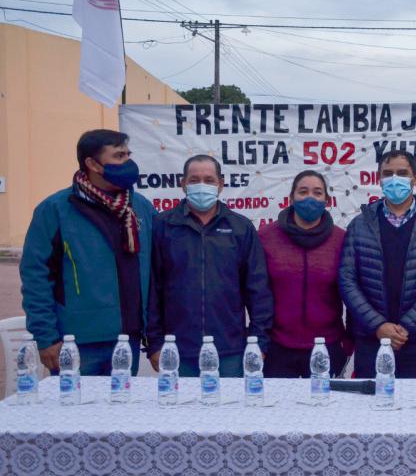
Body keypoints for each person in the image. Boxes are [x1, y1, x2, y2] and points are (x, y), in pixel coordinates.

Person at [20, 129, 155, 376]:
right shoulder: (55, 210)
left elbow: (158, 270)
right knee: (75, 413)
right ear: (92, 163)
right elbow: (35, 277)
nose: (128, 162)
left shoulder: (140, 207)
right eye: (119, 156)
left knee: (121, 411)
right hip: (77, 343)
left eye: (128, 154)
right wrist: (46, 336)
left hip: (129, 339)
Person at [146, 155, 272, 377]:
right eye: (194, 180)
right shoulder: (163, 226)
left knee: (229, 411)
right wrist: (155, 344)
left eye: (209, 180)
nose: (201, 185)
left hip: (230, 350)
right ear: (183, 184)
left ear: (221, 185)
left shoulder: (240, 227)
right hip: (177, 350)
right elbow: (152, 289)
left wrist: (259, 342)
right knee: (178, 410)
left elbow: (258, 290)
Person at [339, 149, 416, 378]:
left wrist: (406, 327)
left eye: (402, 173)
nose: (394, 179)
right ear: (379, 179)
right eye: (388, 173)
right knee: (371, 409)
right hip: (371, 339)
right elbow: (347, 279)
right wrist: (378, 326)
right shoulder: (360, 225)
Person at [259, 171, 351, 377]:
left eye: (317, 193)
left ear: (327, 200)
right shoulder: (265, 237)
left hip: (328, 347)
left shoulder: (341, 240)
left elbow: (354, 292)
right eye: (303, 191)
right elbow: (256, 294)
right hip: (278, 349)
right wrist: (260, 342)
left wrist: (349, 342)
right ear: (291, 198)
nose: (310, 198)